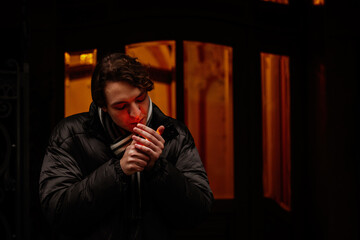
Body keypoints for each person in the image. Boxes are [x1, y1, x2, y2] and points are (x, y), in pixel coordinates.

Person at [39, 52, 214, 240]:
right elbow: (57, 213)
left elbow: (199, 212)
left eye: (140, 99)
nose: (136, 113)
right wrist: (118, 170)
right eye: (121, 107)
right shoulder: (70, 134)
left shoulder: (175, 133)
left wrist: (158, 169)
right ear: (103, 106)